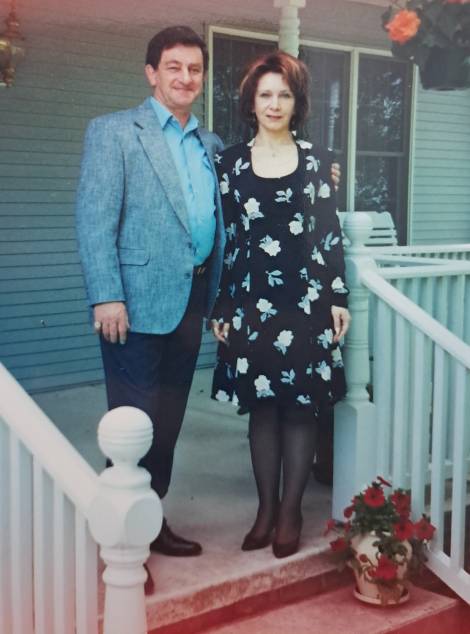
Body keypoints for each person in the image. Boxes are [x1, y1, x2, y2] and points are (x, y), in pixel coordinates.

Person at [76, 26, 226, 558]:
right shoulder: (115, 132)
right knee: (132, 422)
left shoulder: (211, 145)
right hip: (132, 304)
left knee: (168, 421)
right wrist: (106, 295)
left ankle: (149, 518)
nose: (186, 78)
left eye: (195, 69)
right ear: (151, 73)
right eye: (174, 67)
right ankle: (118, 537)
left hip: (191, 301)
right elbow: (95, 220)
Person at [211, 51, 351, 559]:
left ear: (297, 102)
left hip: (306, 301)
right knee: (262, 410)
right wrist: (223, 304)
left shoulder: (316, 160)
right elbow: (228, 240)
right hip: (252, 303)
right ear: (251, 101)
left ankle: (291, 512)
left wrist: (337, 296)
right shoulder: (229, 163)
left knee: (299, 409)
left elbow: (328, 233)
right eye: (265, 94)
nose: (274, 104)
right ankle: (266, 510)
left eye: (284, 95)